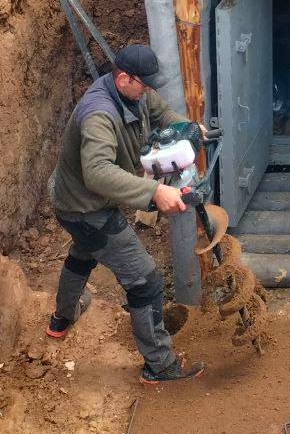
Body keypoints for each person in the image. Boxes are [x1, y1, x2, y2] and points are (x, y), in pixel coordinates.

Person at [46, 45, 204, 383]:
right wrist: (154, 191)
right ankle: (159, 366)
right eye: (143, 85)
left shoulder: (136, 95)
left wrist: (190, 131)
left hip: (79, 202)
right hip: (84, 209)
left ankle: (61, 320)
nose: (148, 90)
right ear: (122, 78)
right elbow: (98, 172)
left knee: (84, 253)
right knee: (145, 280)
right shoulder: (99, 114)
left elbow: (164, 117)